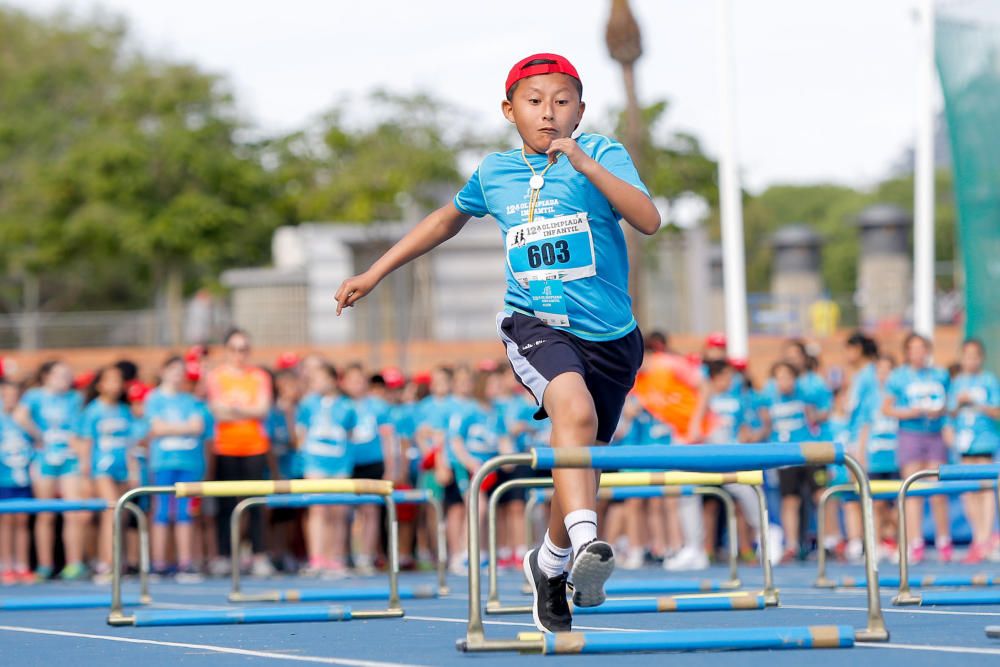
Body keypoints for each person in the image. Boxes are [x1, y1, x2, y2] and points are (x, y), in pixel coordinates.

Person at [334, 52, 658, 633]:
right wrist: (375, 273)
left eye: (562, 102)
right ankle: (588, 539)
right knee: (573, 413)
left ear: (580, 109)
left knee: (581, 458)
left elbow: (649, 219)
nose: (549, 113)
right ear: (510, 111)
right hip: (535, 323)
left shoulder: (603, 153)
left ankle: (552, 562)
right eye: (535, 102)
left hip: (612, 335)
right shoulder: (495, 172)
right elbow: (443, 221)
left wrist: (583, 163)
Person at [206, 328, 274, 577]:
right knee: (225, 504)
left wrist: (234, 410)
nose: (239, 355)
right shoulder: (216, 376)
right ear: (226, 351)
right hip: (225, 448)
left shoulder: (259, 377)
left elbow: (262, 409)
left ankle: (259, 554)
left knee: (255, 504)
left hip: (255, 447)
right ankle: (224, 555)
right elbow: (217, 410)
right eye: (234, 349)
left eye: (244, 349)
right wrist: (246, 410)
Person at [16, 361, 87, 581]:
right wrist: (39, 436)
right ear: (46, 376)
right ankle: (45, 565)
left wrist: (81, 456)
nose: (64, 379)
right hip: (45, 458)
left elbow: (80, 429)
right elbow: (20, 417)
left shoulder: (75, 398)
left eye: (67, 374)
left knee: (72, 512)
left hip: (68, 458)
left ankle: (74, 563)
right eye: (59, 374)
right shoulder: (35, 396)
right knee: (45, 513)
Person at [883, 333, 951, 564]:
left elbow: (948, 405)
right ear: (907, 352)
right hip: (910, 435)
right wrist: (911, 412)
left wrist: (939, 411)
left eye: (922, 348)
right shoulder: (898, 376)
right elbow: (887, 408)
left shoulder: (940, 375)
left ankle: (944, 540)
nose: (918, 353)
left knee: (937, 488)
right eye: (913, 348)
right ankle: (915, 541)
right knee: (912, 489)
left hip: (934, 434)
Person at [145, 356, 207, 580]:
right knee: (162, 511)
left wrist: (173, 428)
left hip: (189, 462)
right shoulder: (154, 399)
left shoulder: (190, 400)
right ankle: (159, 563)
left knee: (185, 513)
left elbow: (198, 427)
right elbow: (157, 428)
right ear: (163, 371)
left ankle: (185, 562)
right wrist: (184, 428)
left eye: (181, 371)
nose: (177, 375)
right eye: (173, 369)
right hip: (163, 462)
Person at [296, 362, 356, 578]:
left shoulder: (347, 406)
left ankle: (336, 557)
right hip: (315, 463)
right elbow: (301, 433)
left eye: (320, 378)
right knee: (318, 509)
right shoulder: (308, 404)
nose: (316, 383)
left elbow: (350, 434)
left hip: (340, 464)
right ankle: (317, 557)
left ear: (332, 380)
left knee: (339, 512)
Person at [77, 365, 136, 582]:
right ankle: (106, 563)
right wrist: (85, 477)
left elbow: (130, 443)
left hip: (121, 466)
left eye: (118, 380)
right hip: (101, 467)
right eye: (110, 380)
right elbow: (86, 443)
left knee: (122, 514)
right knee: (111, 510)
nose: (115, 385)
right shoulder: (93, 410)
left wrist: (132, 469)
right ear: (100, 384)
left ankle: (119, 561)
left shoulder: (124, 411)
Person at [947, 339, 1000, 563]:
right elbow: (950, 414)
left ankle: (986, 535)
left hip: (984, 441)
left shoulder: (988, 380)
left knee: (986, 488)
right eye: (966, 356)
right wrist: (959, 405)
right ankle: (977, 537)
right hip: (965, 443)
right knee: (969, 491)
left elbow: (996, 411)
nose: (971, 360)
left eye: (975, 356)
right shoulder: (957, 382)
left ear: (981, 358)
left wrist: (976, 403)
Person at [341, 363, 395, 575]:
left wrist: (391, 466)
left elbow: (388, 437)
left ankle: (366, 556)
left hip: (373, 462)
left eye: (360, 380)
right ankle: (345, 555)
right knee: (345, 510)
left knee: (370, 510)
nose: (356, 384)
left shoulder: (378, 406)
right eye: (352, 380)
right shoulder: (341, 405)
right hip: (346, 464)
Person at [0, 379, 33, 584]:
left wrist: (27, 424)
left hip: (22, 477)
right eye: (5, 396)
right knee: (5, 522)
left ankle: (22, 564)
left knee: (22, 522)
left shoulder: (24, 418)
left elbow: (39, 441)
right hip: (3, 478)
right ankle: (6, 564)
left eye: (14, 396)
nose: (10, 400)